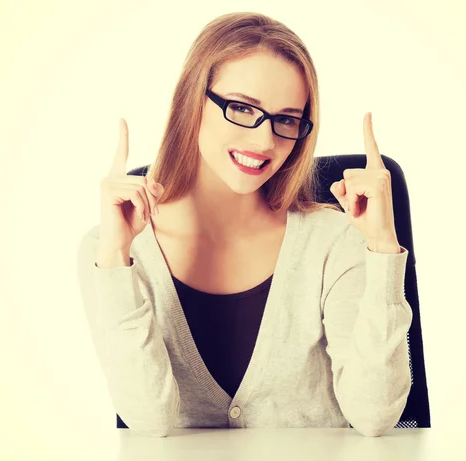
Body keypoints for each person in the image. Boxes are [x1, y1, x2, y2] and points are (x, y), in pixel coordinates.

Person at [77, 11, 413, 438]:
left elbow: (374, 416)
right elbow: (149, 421)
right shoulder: (110, 250)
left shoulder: (334, 239)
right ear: (192, 100)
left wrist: (382, 247)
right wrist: (116, 262)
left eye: (287, 119)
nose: (265, 141)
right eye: (241, 107)